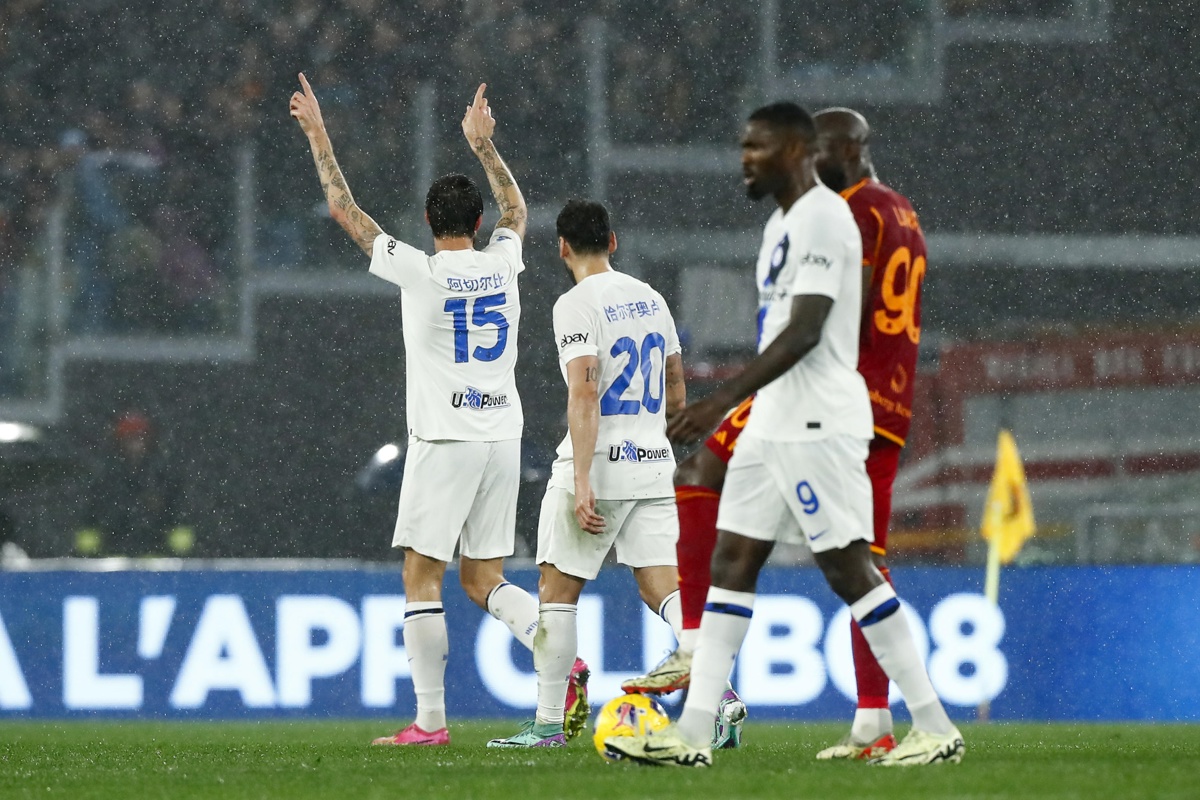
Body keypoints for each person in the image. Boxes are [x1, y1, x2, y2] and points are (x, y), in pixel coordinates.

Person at [605, 102, 962, 768]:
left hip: (817, 419)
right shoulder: (783, 222)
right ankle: (693, 733)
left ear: (798, 150)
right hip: (775, 418)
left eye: (757, 147)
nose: (744, 158)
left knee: (850, 569)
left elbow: (805, 329)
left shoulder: (831, 217)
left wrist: (720, 402)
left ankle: (935, 725)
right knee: (732, 563)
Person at [290, 76, 588, 747]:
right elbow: (519, 210)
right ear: (476, 224)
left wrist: (319, 137)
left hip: (445, 439)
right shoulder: (505, 260)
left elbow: (346, 210)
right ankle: (560, 657)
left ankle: (429, 722)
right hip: (503, 438)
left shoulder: (418, 270)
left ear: (429, 224)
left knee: (421, 575)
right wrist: (485, 147)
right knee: (483, 577)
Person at [487, 200, 687, 748]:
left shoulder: (574, 304)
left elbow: (584, 389)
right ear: (614, 242)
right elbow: (675, 383)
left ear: (562, 248)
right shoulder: (652, 298)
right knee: (662, 589)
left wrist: (582, 481)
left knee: (556, 590)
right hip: (654, 465)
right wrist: (659, 445)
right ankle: (721, 697)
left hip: (600, 466)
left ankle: (550, 721)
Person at [75, 410, 193, 557]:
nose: (134, 444)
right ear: (120, 442)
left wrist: (170, 551)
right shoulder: (105, 478)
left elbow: (178, 516)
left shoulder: (163, 477)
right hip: (113, 560)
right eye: (129, 438)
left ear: (148, 441)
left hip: (155, 559)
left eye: (139, 437)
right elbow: (90, 519)